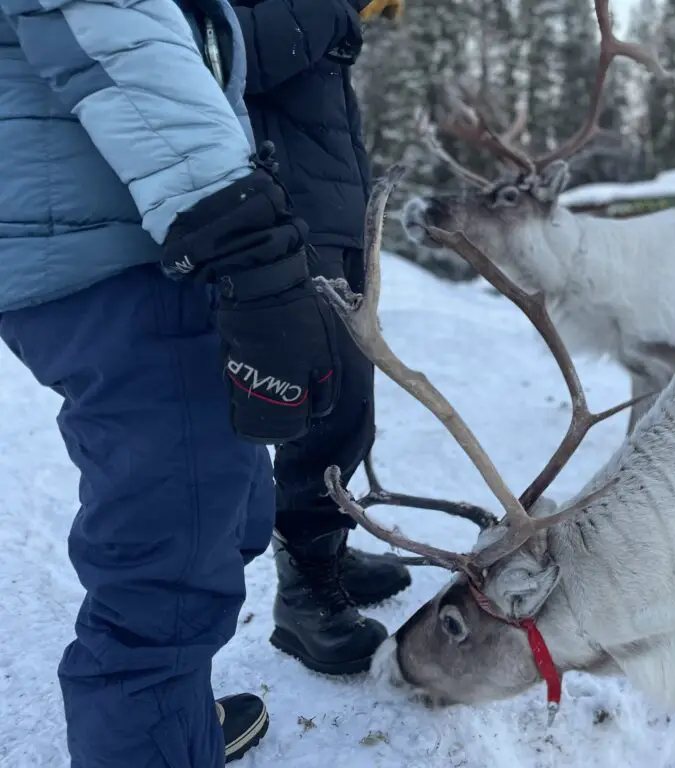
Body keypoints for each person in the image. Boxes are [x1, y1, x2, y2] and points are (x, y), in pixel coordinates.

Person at [0, 0, 341, 763]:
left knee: (224, 498)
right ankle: (148, 738)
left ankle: (167, 716)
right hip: (125, 254)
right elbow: (113, 35)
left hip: (128, 235)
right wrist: (250, 246)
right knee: (173, 547)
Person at [229, 0, 412, 676]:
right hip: (285, 211)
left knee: (351, 400)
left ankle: (324, 547)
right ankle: (304, 594)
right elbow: (230, 51)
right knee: (324, 407)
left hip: (331, 209)